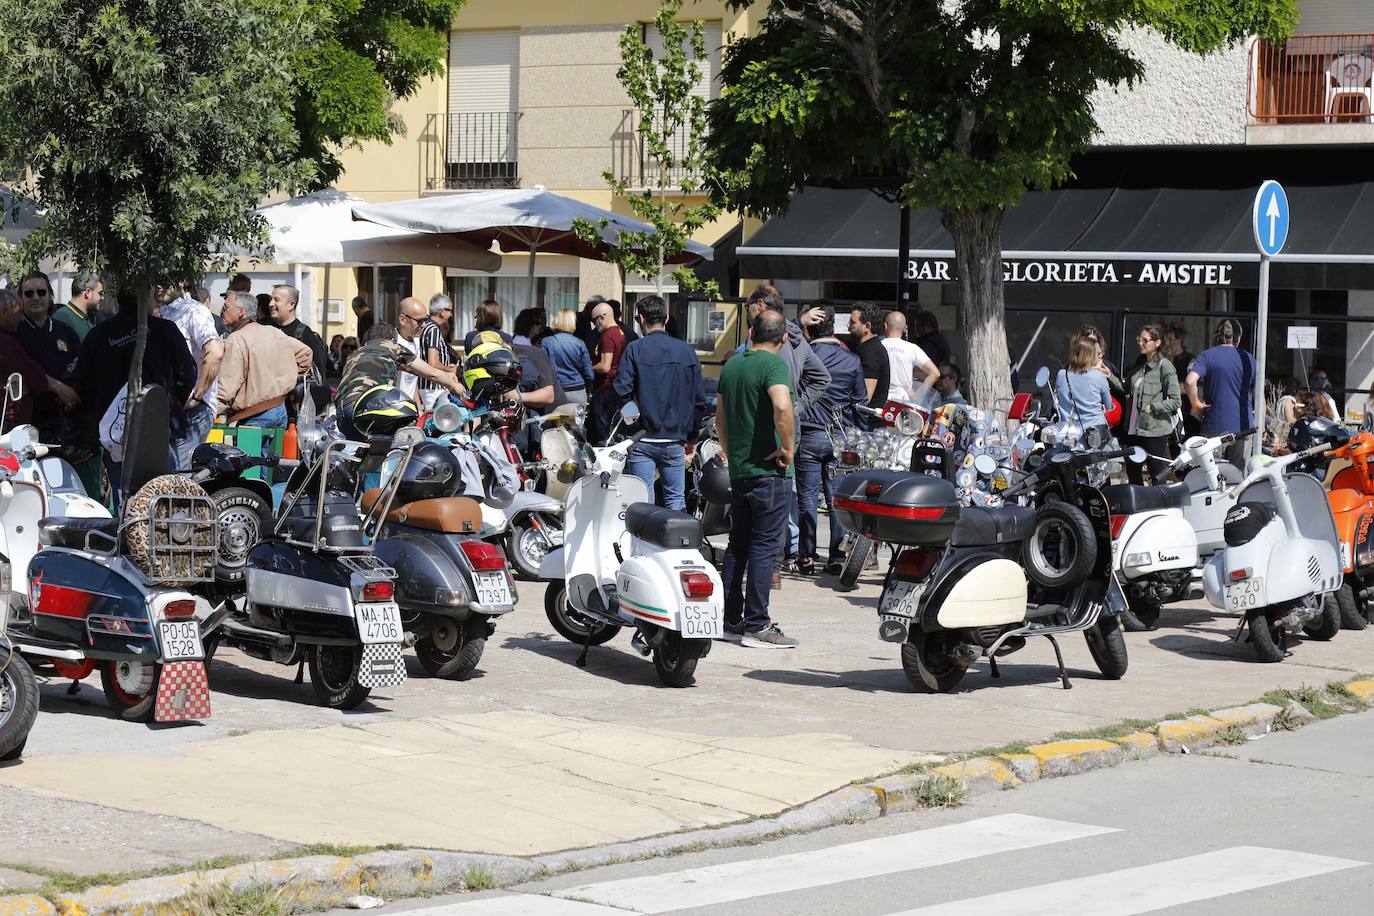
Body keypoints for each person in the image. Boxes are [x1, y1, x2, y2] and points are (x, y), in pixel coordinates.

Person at [717, 310, 798, 649]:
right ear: (785, 338)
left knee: (738, 545)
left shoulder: (733, 364)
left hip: (741, 470)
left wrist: (730, 451)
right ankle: (758, 624)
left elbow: (719, 415)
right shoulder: (774, 365)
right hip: (770, 472)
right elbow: (782, 406)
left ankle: (730, 618)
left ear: (750, 332)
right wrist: (788, 448)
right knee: (765, 548)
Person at [74, 289, 196, 501]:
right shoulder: (165, 330)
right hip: (158, 429)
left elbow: (84, 386)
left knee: (126, 502)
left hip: (116, 433)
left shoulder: (99, 335)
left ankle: (127, 533)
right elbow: (187, 374)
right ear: (146, 298)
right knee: (164, 499)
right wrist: (170, 404)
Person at [613, 295, 708, 511]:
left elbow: (621, 391)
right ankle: (677, 544)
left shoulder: (635, 349)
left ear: (641, 319)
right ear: (666, 318)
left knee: (642, 501)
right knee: (676, 501)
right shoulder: (686, 351)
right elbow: (699, 400)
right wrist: (692, 436)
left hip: (642, 437)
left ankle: (642, 544)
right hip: (674, 438)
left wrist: (631, 421)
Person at [794, 306, 867, 576]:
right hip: (841, 437)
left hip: (809, 434)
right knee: (838, 499)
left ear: (808, 329)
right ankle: (836, 555)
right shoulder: (852, 360)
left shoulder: (805, 355)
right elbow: (860, 404)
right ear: (834, 329)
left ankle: (807, 556)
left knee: (807, 499)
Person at [334, 323, 463, 440]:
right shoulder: (392, 347)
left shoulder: (356, 354)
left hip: (343, 410)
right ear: (393, 339)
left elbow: (403, 368)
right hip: (369, 409)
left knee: (357, 456)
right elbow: (432, 374)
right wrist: (453, 384)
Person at [214, 290, 313, 429]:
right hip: (279, 410)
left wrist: (212, 410)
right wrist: (287, 379)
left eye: (226, 307)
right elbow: (306, 353)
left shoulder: (236, 339)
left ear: (241, 312)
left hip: (253, 416)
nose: (221, 311)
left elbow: (227, 386)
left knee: (248, 452)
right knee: (275, 452)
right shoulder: (273, 332)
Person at [159, 282, 225, 470]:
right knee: (166, 475)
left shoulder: (193, 311)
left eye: (165, 279)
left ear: (181, 282)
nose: (158, 284)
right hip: (168, 408)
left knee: (179, 475)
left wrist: (198, 395)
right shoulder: (160, 311)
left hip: (192, 410)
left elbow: (215, 352)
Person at [1185, 318, 1259, 467]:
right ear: (1238, 338)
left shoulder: (1207, 356)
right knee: (1239, 478)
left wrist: (1196, 405)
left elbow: (1190, 381)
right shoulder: (1248, 359)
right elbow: (1259, 395)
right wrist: (1260, 426)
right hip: (1242, 427)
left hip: (1214, 426)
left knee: (1212, 476)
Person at [0, 289, 69, 428]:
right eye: (18, 313)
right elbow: (31, 373)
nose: (20, 318)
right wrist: (62, 389)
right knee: (19, 449)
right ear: (4, 314)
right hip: (10, 422)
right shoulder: (6, 343)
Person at [1123, 325, 1181, 485]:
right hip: (1134, 430)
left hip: (1154, 431)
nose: (1140, 343)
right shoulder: (1139, 366)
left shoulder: (1165, 366)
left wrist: (1154, 407)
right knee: (1132, 472)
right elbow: (1125, 389)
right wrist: (1109, 375)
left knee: (1157, 473)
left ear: (1157, 343)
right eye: (1139, 340)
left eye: (1145, 340)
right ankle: (1139, 507)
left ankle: (1160, 507)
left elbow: (1176, 400)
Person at [1055, 332, 1113, 442]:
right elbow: (1108, 406)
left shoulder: (1062, 374)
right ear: (1090, 355)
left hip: (1068, 433)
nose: (1100, 355)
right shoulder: (1099, 376)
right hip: (1095, 434)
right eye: (1098, 352)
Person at [589, 299, 629, 444]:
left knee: (603, 433)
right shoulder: (620, 332)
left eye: (595, 320)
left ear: (602, 317)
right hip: (615, 387)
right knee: (612, 430)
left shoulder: (608, 335)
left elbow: (605, 366)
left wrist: (588, 368)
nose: (594, 325)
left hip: (604, 389)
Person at [270, 284, 326, 379]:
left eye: (276, 300)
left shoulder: (304, 334)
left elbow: (318, 372)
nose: (271, 304)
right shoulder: (266, 329)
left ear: (291, 305)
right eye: (270, 299)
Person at [541, 308, 594, 405]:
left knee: (556, 419)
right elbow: (589, 373)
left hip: (557, 390)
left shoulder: (546, 342)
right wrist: (589, 389)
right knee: (577, 420)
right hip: (578, 390)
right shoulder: (580, 343)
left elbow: (543, 368)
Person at [881, 310, 938, 400]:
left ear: (885, 326)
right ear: (905, 328)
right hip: (903, 401)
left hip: (880, 400)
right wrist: (918, 395)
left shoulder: (878, 346)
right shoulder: (912, 348)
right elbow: (935, 373)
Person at [848, 301, 890, 415]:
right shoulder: (867, 348)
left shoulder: (872, 352)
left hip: (868, 427)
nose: (848, 326)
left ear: (867, 326)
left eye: (853, 323)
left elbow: (865, 398)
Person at [417, 294, 457, 412]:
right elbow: (433, 363)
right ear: (442, 311)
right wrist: (451, 370)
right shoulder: (434, 330)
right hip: (433, 387)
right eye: (450, 310)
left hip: (426, 385)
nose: (451, 314)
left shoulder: (426, 326)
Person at [393, 297, 429, 401]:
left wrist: (418, 407)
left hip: (408, 407)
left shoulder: (416, 341)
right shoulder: (392, 342)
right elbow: (411, 370)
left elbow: (412, 382)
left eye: (426, 319)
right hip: (391, 408)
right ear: (402, 319)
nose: (424, 325)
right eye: (420, 321)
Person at [53, 270, 104, 342]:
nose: (102, 298)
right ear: (88, 292)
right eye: (100, 293)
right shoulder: (62, 317)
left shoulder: (87, 318)